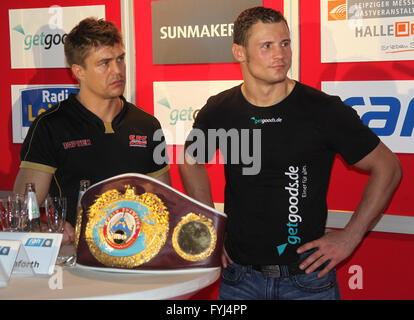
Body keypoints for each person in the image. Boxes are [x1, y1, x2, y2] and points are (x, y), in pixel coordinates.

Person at [178, 7, 402, 300]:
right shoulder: (220, 109)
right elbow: (190, 161)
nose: (280, 54)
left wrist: (351, 236)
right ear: (239, 52)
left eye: (285, 43)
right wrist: (208, 229)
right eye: (266, 46)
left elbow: (388, 167)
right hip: (239, 279)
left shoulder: (322, 109)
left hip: (307, 282)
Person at [14, 18, 170, 244]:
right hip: (76, 263)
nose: (117, 70)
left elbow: (163, 202)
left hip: (136, 258)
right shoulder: (51, 126)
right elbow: (23, 210)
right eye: (104, 63)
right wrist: (47, 227)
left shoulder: (147, 125)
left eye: (120, 59)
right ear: (79, 71)